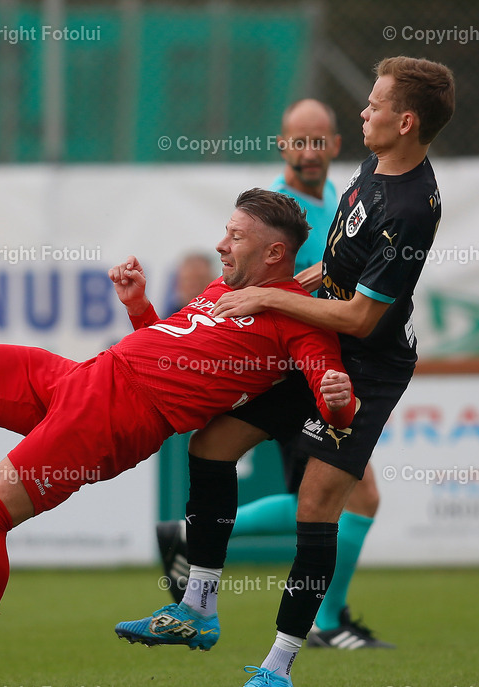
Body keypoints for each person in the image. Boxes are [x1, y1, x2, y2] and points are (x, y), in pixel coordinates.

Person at [0, 188, 357, 687]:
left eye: (235, 236)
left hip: (109, 419)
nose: (221, 244)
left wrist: (339, 402)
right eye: (226, 231)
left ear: (274, 252)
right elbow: (171, 350)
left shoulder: (301, 323)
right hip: (84, 377)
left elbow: (333, 403)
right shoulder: (225, 287)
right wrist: (139, 307)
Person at [117, 56, 455, 687]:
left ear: (406, 121)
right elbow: (342, 261)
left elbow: (361, 317)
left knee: (316, 505)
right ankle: (197, 606)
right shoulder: (375, 166)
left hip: (367, 366)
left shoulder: (412, 206)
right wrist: (302, 280)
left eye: (375, 104)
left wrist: (268, 297)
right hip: (320, 340)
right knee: (211, 443)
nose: (364, 112)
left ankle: (277, 671)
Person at [155, 98, 392, 650]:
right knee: (349, 496)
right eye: (298, 140)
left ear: (335, 145)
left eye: (318, 140)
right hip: (295, 369)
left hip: (321, 362)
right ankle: (325, 623)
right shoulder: (280, 212)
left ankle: (190, 537)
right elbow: (264, 288)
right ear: (283, 145)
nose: (308, 151)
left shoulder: (335, 201)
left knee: (337, 495)